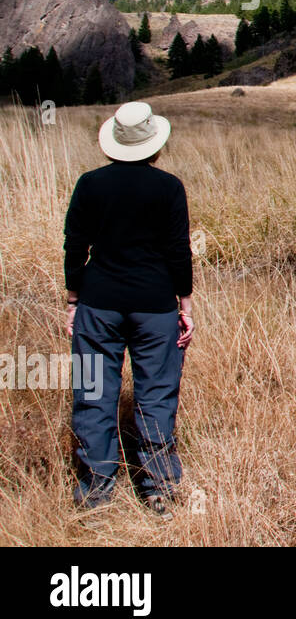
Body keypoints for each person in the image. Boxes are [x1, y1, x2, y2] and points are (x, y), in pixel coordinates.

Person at [63, 101, 194, 515]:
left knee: (93, 392)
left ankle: (96, 491)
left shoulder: (89, 184)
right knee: (156, 393)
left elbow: (74, 248)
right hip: (155, 306)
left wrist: (72, 300)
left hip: (97, 304)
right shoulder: (169, 187)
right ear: (155, 145)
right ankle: (157, 488)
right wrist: (184, 304)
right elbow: (178, 252)